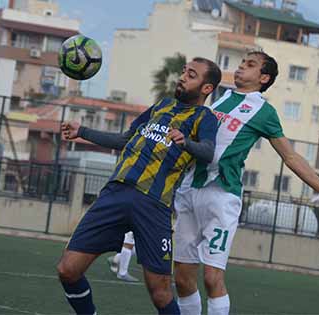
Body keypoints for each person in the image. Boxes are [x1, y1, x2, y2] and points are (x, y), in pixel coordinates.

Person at [173, 51, 319, 315]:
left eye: (249, 65)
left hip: (222, 197)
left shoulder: (264, 111)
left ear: (263, 77)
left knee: (212, 277)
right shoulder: (221, 98)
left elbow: (290, 156)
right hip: (189, 190)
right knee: (181, 277)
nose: (240, 68)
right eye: (241, 62)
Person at [56, 57, 222, 315]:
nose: (182, 77)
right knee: (67, 270)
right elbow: (124, 139)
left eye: (191, 75)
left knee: (160, 292)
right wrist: (83, 132)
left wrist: (186, 143)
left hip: (153, 206)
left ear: (206, 88)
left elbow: (209, 152)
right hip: (114, 194)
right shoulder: (161, 106)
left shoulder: (204, 117)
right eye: (183, 72)